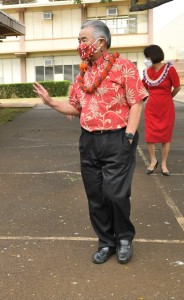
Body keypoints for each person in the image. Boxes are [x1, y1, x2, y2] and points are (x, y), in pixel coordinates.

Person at [33, 20, 148, 264]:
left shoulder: (123, 66)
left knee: (115, 194)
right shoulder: (83, 74)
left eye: (83, 40)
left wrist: (129, 135)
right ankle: (106, 242)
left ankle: (124, 238)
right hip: (89, 140)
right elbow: (74, 106)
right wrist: (50, 101)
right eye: (79, 40)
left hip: (118, 137)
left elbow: (137, 101)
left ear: (101, 42)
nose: (80, 45)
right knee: (95, 194)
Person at [142, 45, 181, 176]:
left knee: (166, 136)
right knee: (150, 136)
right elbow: (142, 88)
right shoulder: (147, 71)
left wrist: (169, 97)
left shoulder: (170, 69)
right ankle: (153, 161)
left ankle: (164, 164)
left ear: (153, 56)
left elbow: (177, 87)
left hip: (166, 107)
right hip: (151, 108)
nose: (146, 59)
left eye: (147, 56)